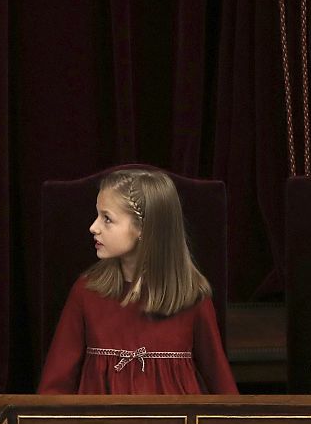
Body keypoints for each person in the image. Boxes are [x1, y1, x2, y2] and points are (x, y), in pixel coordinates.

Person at [37, 168, 238, 395]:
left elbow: (221, 384)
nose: (93, 227)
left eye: (107, 219)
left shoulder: (192, 296)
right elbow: (55, 386)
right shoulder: (86, 292)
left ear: (144, 228)